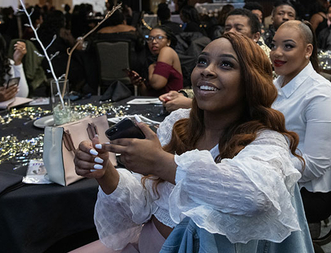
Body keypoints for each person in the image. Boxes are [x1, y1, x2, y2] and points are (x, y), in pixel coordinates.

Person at [73, 32, 313, 253]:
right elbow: (147, 201)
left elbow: (253, 196)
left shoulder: (266, 141)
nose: (206, 70)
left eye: (226, 64)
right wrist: (106, 173)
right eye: (202, 61)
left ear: (251, 81)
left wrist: (161, 163)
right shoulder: (179, 123)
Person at [270, 20, 331, 238]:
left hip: (308, 192)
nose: (277, 53)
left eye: (288, 46)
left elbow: (315, 164)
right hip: (277, 177)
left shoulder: (320, 94)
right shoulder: (277, 83)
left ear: (308, 51)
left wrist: (265, 168)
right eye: (274, 44)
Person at [160, 8, 270, 112]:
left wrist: (191, 104)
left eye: (238, 29)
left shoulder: (264, 58)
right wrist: (184, 95)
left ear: (255, 37)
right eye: (227, 28)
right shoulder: (225, 50)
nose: (230, 32)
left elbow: (255, 101)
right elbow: (212, 84)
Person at [130, 25, 183, 97]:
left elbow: (157, 84)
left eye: (159, 38)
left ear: (168, 42)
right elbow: (148, 95)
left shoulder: (167, 51)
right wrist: (140, 84)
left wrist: (151, 68)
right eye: (150, 38)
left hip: (172, 104)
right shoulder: (152, 61)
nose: (154, 41)